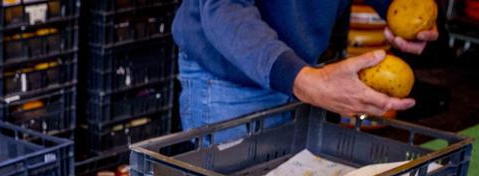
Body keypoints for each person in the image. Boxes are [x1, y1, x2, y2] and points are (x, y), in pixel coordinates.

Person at [173, 0, 439, 130]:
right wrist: (301, 80)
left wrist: (399, 9)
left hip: (301, 69)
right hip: (230, 78)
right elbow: (225, 8)